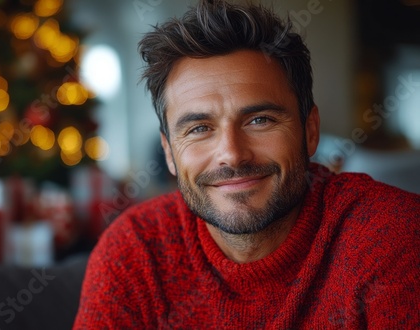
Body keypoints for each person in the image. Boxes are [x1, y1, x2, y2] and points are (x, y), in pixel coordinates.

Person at [73, 0, 420, 328]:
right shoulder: (135, 252)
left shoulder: (396, 237)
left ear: (310, 131)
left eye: (260, 120)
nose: (233, 154)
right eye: (199, 129)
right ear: (169, 153)